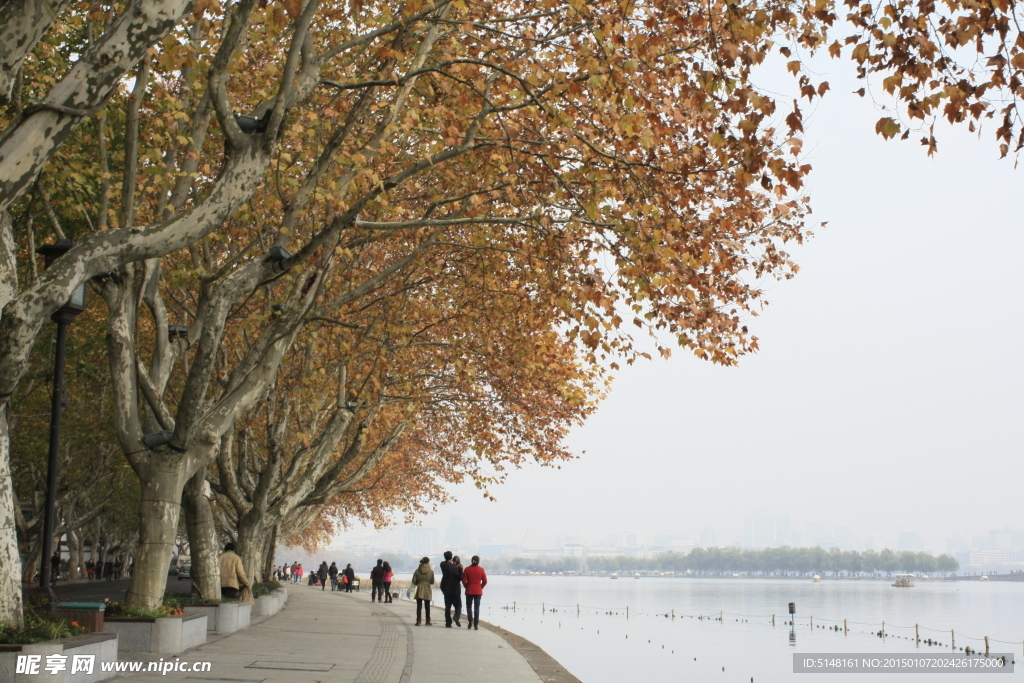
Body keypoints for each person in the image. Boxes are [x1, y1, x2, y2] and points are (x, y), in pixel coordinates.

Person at [462, 555, 487, 630]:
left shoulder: (467, 569)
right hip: (478, 590)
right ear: (478, 561)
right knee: (477, 607)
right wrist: (480, 586)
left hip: (469, 590)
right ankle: (476, 624)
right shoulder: (481, 570)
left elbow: (463, 580)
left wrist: (467, 586)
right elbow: (485, 581)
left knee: (469, 606)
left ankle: (470, 621)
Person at [440, 551, 463, 628]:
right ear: (451, 557)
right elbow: (460, 577)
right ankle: (456, 617)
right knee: (458, 605)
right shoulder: (455, 568)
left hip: (446, 588)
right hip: (455, 589)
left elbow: (446, 564)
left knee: (447, 607)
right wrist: (460, 569)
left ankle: (448, 623)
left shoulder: (442, 565)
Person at [412, 556, 435, 626]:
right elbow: (432, 582)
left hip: (419, 588)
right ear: (428, 562)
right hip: (427, 588)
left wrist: (419, 583)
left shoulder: (417, 570)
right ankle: (427, 621)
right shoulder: (431, 571)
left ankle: (418, 621)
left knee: (419, 606)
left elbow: (414, 581)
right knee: (427, 606)